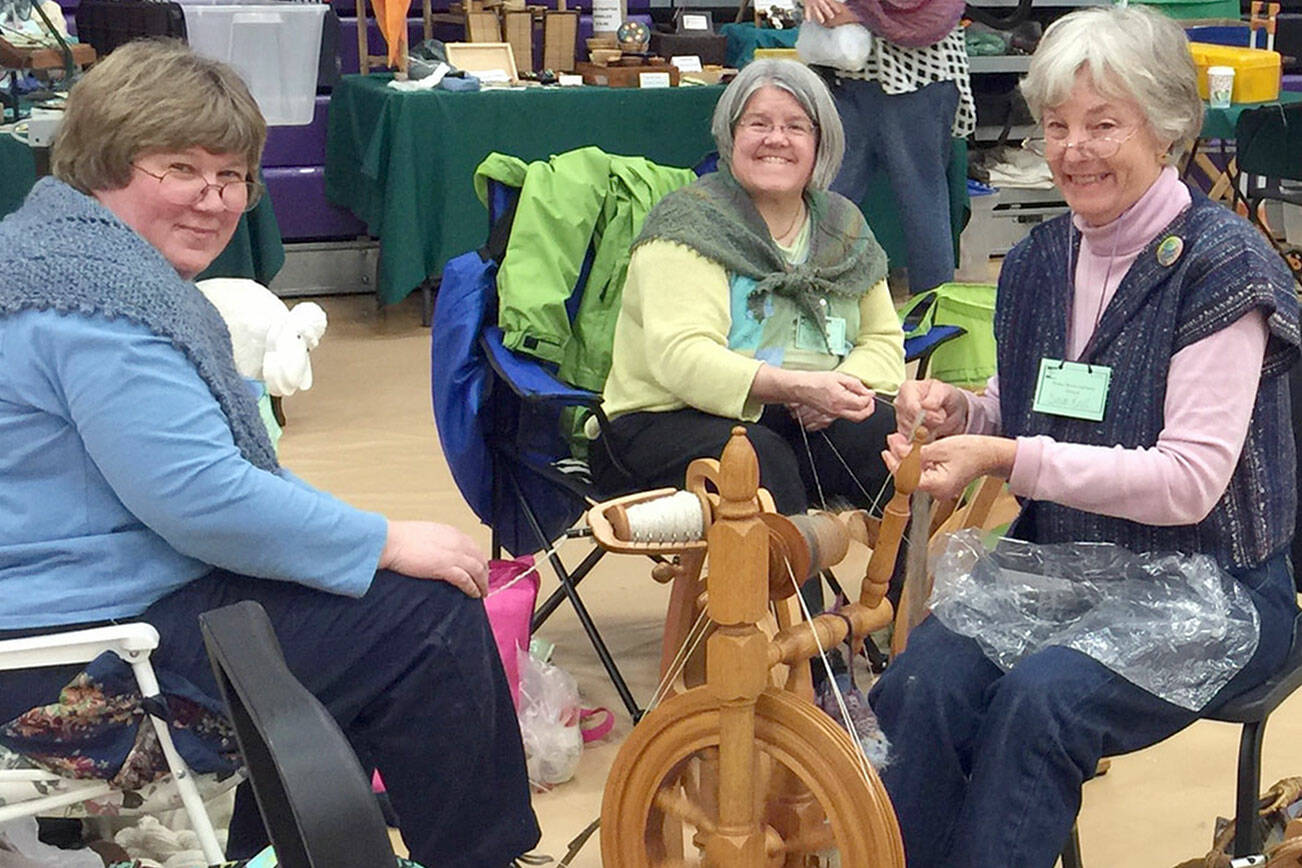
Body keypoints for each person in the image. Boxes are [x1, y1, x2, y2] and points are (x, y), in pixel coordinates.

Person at [0, 40, 539, 868]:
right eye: (182, 168)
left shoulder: (48, 259)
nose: (216, 201)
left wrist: (351, 551)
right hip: (72, 675)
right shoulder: (96, 303)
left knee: (359, 620)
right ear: (104, 161)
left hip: (72, 627)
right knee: (422, 621)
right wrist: (383, 539)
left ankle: (298, 853)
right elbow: (202, 500)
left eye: (233, 176)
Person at [870, 7, 1300, 866]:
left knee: (1040, 705)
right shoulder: (1037, 261)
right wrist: (966, 416)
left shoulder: (1222, 267)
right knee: (919, 685)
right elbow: (1023, 403)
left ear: (1171, 127)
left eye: (1105, 124)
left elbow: (1188, 483)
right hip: (1063, 570)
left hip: (1215, 588)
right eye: (1057, 126)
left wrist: (1003, 456)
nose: (1073, 150)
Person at [591, 59, 906, 530]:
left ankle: (908, 601)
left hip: (794, 416)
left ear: (820, 144)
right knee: (758, 459)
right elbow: (681, 357)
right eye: (758, 124)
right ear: (730, 135)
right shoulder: (690, 224)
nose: (776, 139)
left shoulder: (843, 226)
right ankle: (794, 605)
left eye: (796, 126)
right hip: (661, 421)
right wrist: (797, 386)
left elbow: (883, 340)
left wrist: (837, 390)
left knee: (892, 439)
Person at [803, 0, 974, 295]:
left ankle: (933, 318)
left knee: (921, 200)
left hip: (917, 75)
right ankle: (809, 304)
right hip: (842, 74)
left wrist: (859, 13)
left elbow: (931, 12)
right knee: (828, 198)